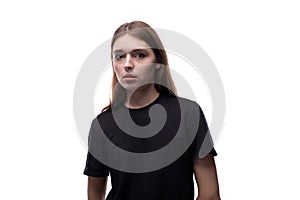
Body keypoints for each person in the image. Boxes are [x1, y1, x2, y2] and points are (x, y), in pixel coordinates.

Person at [84, 21, 221, 200]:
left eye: (139, 55)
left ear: (157, 62)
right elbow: (94, 195)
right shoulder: (102, 125)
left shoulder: (188, 113)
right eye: (119, 56)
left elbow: (210, 194)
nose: (127, 64)